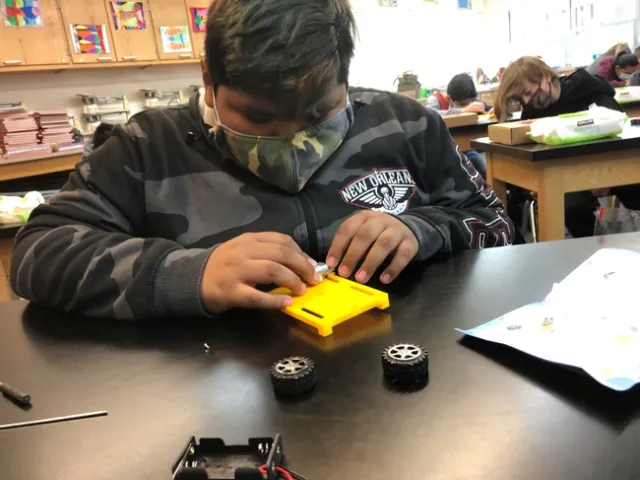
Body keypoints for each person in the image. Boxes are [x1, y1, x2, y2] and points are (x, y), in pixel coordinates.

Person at [10, 0, 514, 319]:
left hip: (407, 381)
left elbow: (496, 223)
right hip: (219, 403)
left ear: (345, 75)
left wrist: (423, 229)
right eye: (257, 117)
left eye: (317, 114)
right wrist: (186, 273)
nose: (292, 139)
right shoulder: (146, 147)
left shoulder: (405, 123)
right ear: (209, 78)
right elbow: (36, 255)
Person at [494, 56, 640, 238]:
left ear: (546, 77)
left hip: (612, 165)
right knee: (568, 205)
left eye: (528, 92)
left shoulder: (587, 87)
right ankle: (596, 245)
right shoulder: (531, 113)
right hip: (566, 176)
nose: (528, 101)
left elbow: (618, 126)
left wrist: (601, 178)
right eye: (521, 98)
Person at [426, 74, 490, 178]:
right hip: (445, 153)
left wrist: (491, 109)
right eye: (462, 104)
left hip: (468, 147)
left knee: (483, 165)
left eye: (469, 103)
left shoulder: (466, 97)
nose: (468, 105)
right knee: (476, 160)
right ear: (449, 98)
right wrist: (462, 110)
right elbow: (431, 114)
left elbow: (484, 107)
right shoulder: (434, 99)